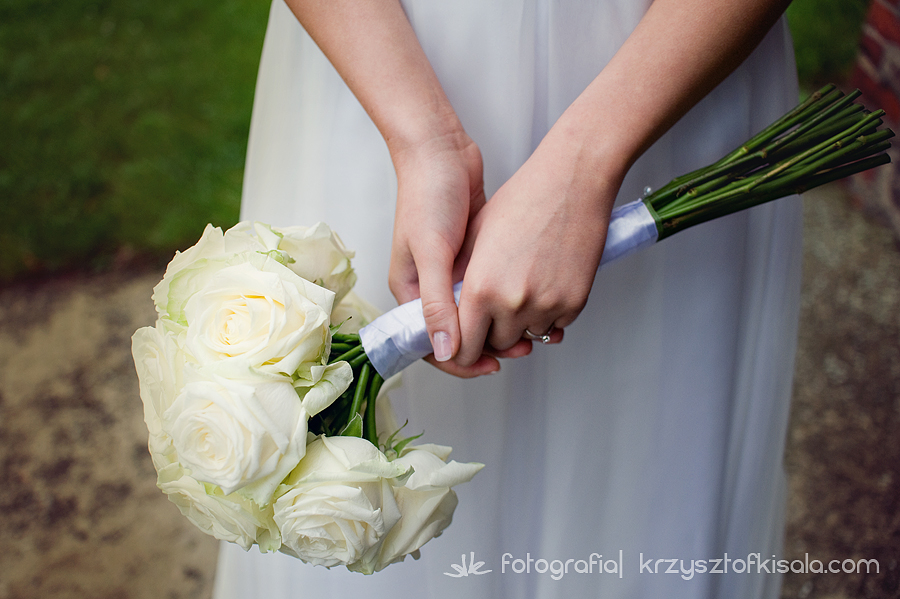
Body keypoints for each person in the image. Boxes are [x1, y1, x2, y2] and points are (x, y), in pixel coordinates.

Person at [213, 0, 802, 597]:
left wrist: (586, 164)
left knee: (639, 470)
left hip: (663, 63)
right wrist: (423, 141)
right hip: (376, 59)